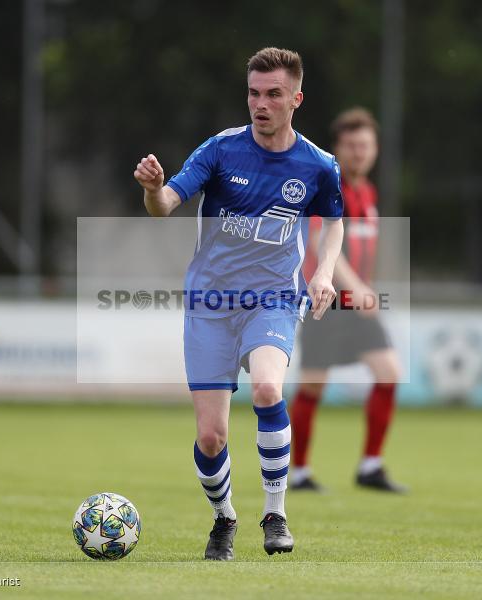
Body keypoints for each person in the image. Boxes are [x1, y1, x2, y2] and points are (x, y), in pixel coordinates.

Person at [133, 47, 344, 561]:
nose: (260, 103)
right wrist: (154, 189)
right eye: (254, 93)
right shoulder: (221, 150)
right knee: (211, 436)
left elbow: (334, 219)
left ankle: (276, 513)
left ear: (296, 98)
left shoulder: (318, 165)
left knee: (269, 386)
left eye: (273, 94)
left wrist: (322, 272)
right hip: (210, 303)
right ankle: (223, 519)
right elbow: (164, 207)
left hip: (272, 298)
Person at [290, 107, 408, 494]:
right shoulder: (329, 184)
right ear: (338, 148)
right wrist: (355, 286)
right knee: (311, 389)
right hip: (328, 302)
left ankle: (370, 465)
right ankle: (299, 471)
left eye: (366, 145)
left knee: (389, 371)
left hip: (358, 306)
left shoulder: (367, 192)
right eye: (352, 145)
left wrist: (364, 287)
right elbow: (322, 242)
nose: (360, 152)